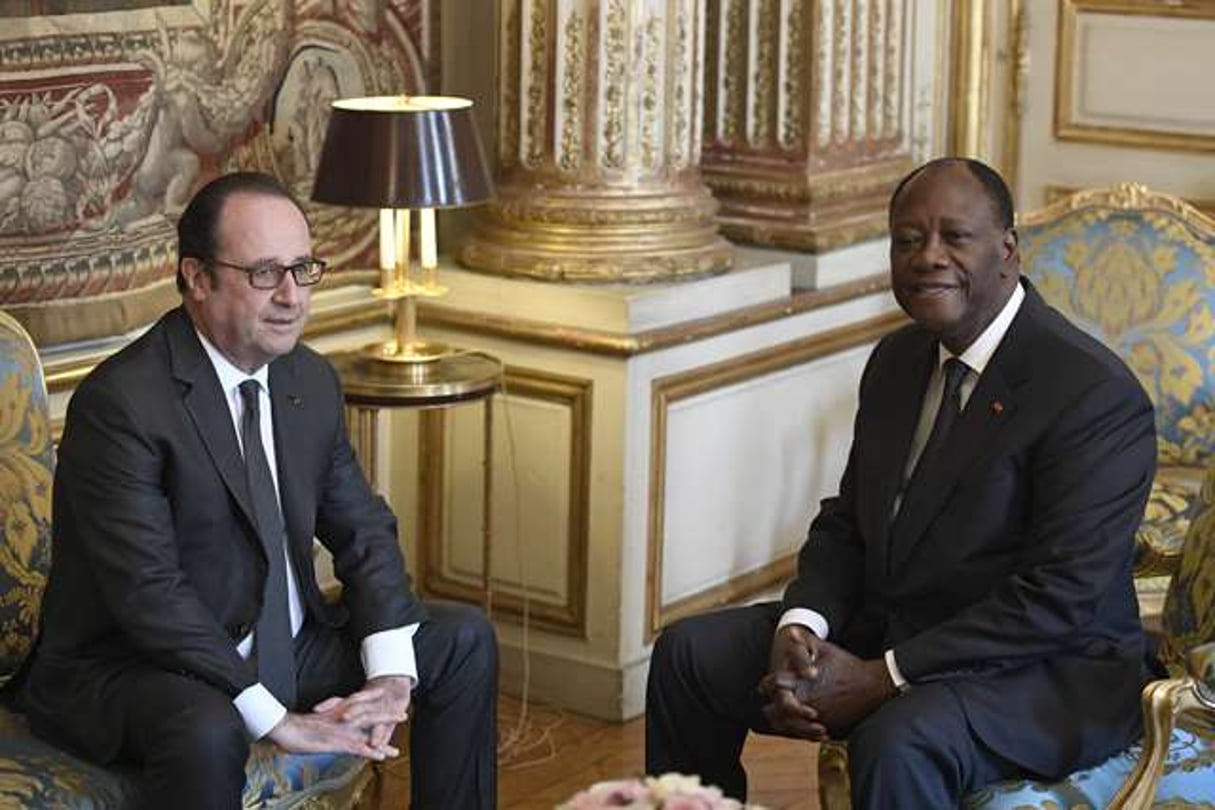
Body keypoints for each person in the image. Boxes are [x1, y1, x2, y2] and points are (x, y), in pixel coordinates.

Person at [646, 158, 1158, 808]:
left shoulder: (1090, 394)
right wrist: (800, 628)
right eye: (907, 240)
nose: (926, 258)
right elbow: (846, 524)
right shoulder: (897, 359)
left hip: (1044, 672)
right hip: (898, 625)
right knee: (690, 656)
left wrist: (882, 676)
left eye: (953, 237)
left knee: (898, 738)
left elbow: (1057, 600)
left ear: (1006, 251)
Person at [20, 172, 497, 809]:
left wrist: (388, 673)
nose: (292, 297)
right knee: (208, 727)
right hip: (143, 666)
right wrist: (276, 719)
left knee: (461, 641)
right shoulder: (122, 405)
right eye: (266, 274)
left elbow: (363, 530)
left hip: (289, 645)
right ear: (196, 277)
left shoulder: (308, 380)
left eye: (303, 269)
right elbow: (149, 595)